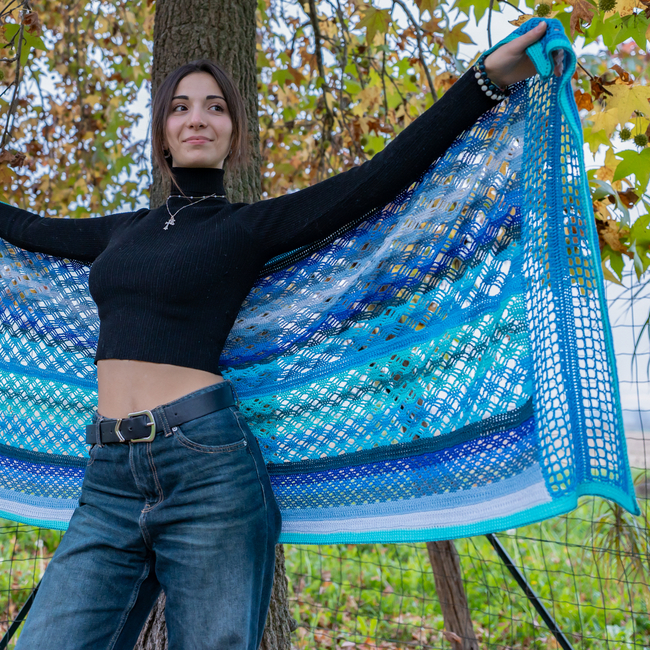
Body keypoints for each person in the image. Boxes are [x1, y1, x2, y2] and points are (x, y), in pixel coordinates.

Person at [0, 21, 560, 650]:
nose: (197, 118)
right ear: (162, 130)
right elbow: (24, 228)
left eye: (215, 107)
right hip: (108, 477)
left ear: (234, 133)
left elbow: (378, 177)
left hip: (205, 471)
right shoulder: (120, 232)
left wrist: (483, 82)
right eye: (180, 107)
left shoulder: (246, 228)